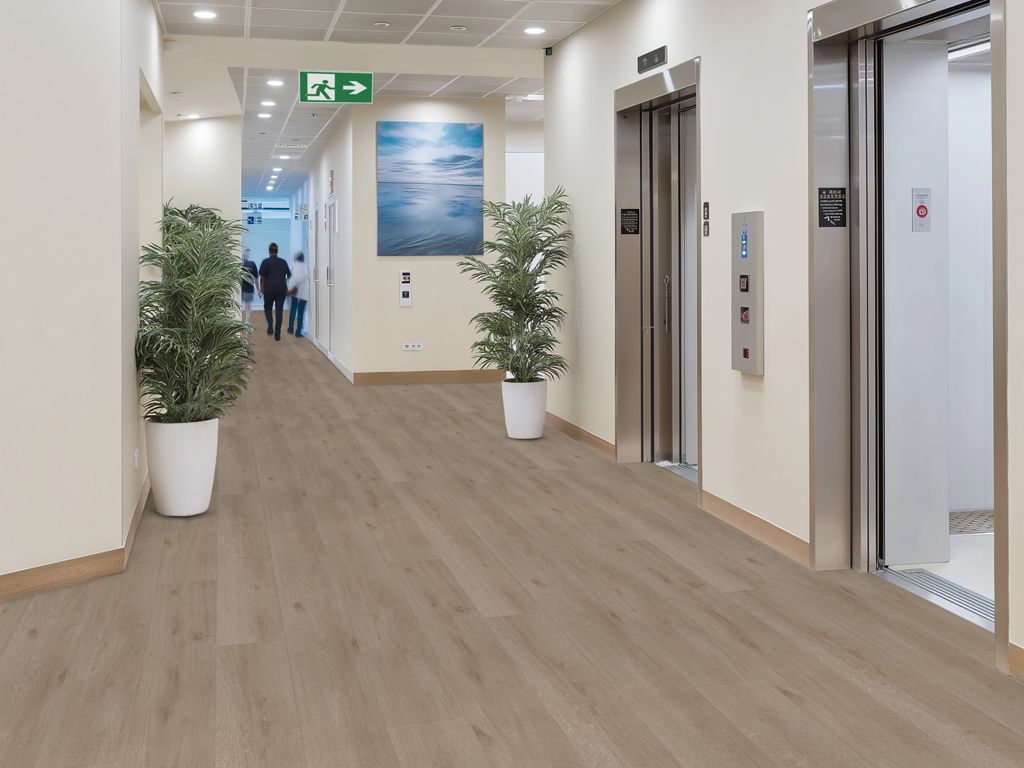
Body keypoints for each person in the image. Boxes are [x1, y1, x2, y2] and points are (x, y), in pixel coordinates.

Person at [258, 242, 290, 341]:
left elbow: (262, 277)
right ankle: (277, 335)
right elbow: (289, 275)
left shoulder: (265, 262)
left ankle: (270, 326)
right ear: (277, 251)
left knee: (267, 308)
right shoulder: (283, 262)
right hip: (281, 289)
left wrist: (261, 288)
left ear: (269, 251)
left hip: (269, 289)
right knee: (279, 311)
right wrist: (284, 282)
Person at [287, 251, 310, 338]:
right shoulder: (306, 266)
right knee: (301, 312)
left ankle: (290, 328)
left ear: (296, 258)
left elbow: (294, 278)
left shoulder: (295, 266)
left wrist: (291, 288)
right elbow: (305, 277)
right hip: (304, 293)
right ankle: (298, 331)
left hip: (295, 291)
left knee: (293, 309)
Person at [240, 248, 258, 324]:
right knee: (247, 304)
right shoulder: (252, 264)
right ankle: (247, 321)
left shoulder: (238, 264)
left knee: (243, 304)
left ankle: (245, 320)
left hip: (241, 288)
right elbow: (256, 278)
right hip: (248, 288)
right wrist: (258, 289)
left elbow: (256, 278)